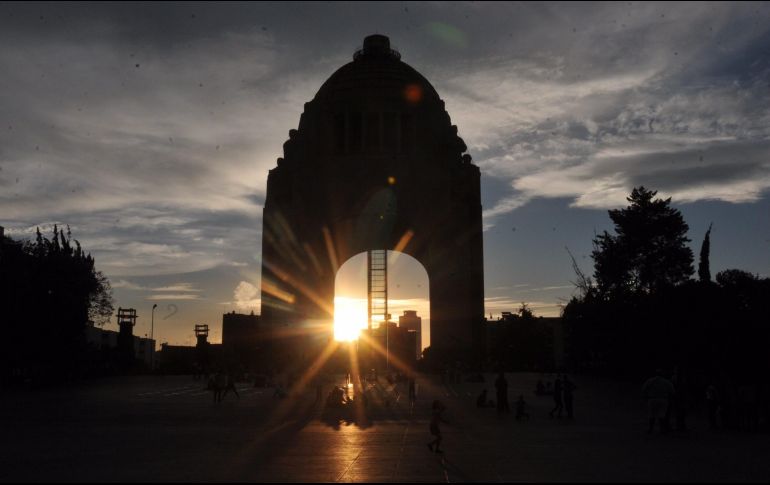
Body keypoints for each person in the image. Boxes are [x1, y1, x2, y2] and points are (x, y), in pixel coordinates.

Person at [642, 369, 675, 434]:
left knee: (651, 414)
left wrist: (645, 397)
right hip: (663, 399)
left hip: (652, 399)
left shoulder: (650, 381)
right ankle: (662, 429)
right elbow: (672, 391)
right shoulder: (666, 382)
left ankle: (651, 429)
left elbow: (644, 389)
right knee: (662, 415)